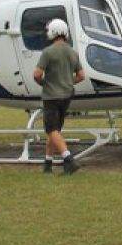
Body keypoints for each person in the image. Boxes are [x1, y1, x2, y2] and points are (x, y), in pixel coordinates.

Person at [33, 18, 86, 175]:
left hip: (51, 97)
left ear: (52, 32)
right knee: (55, 130)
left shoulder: (48, 52)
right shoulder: (72, 52)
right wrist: (67, 82)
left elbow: (36, 74)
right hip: (67, 96)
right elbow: (81, 75)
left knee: (51, 129)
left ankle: (68, 159)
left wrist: (44, 83)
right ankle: (48, 163)